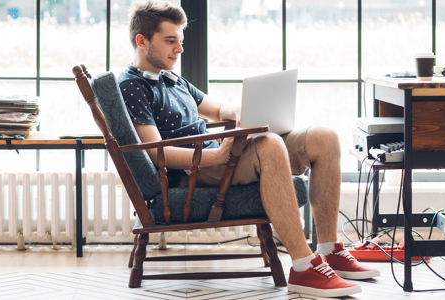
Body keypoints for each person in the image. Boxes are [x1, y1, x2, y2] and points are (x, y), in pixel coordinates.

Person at [117, 0, 380, 297]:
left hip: (219, 158)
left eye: (180, 40)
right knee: (269, 144)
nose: (179, 49)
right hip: (194, 171)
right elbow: (155, 150)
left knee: (324, 137)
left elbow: (219, 109)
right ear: (142, 41)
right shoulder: (132, 86)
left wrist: (247, 110)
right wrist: (217, 155)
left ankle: (330, 250)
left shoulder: (173, 78)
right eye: (170, 41)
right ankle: (304, 267)